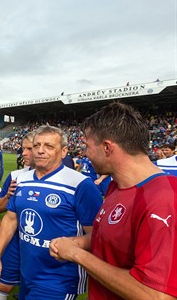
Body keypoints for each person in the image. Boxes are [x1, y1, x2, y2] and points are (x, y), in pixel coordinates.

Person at [49, 102, 177, 300]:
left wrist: (77, 255)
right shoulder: (116, 186)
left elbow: (156, 294)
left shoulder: (162, 199)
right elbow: (114, 239)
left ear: (107, 147)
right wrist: (77, 242)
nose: (84, 153)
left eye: (87, 146)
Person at [0, 125, 103, 299]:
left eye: (49, 146)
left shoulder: (80, 185)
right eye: (36, 145)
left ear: (64, 151)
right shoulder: (22, 179)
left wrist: (68, 246)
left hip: (58, 279)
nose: (40, 151)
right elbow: (10, 220)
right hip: (27, 272)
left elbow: (98, 236)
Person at [0, 131, 35, 300]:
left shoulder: (70, 180)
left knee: (31, 290)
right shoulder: (16, 176)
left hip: (42, 247)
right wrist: (8, 195)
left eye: (29, 148)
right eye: (23, 148)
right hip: (14, 241)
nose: (24, 153)